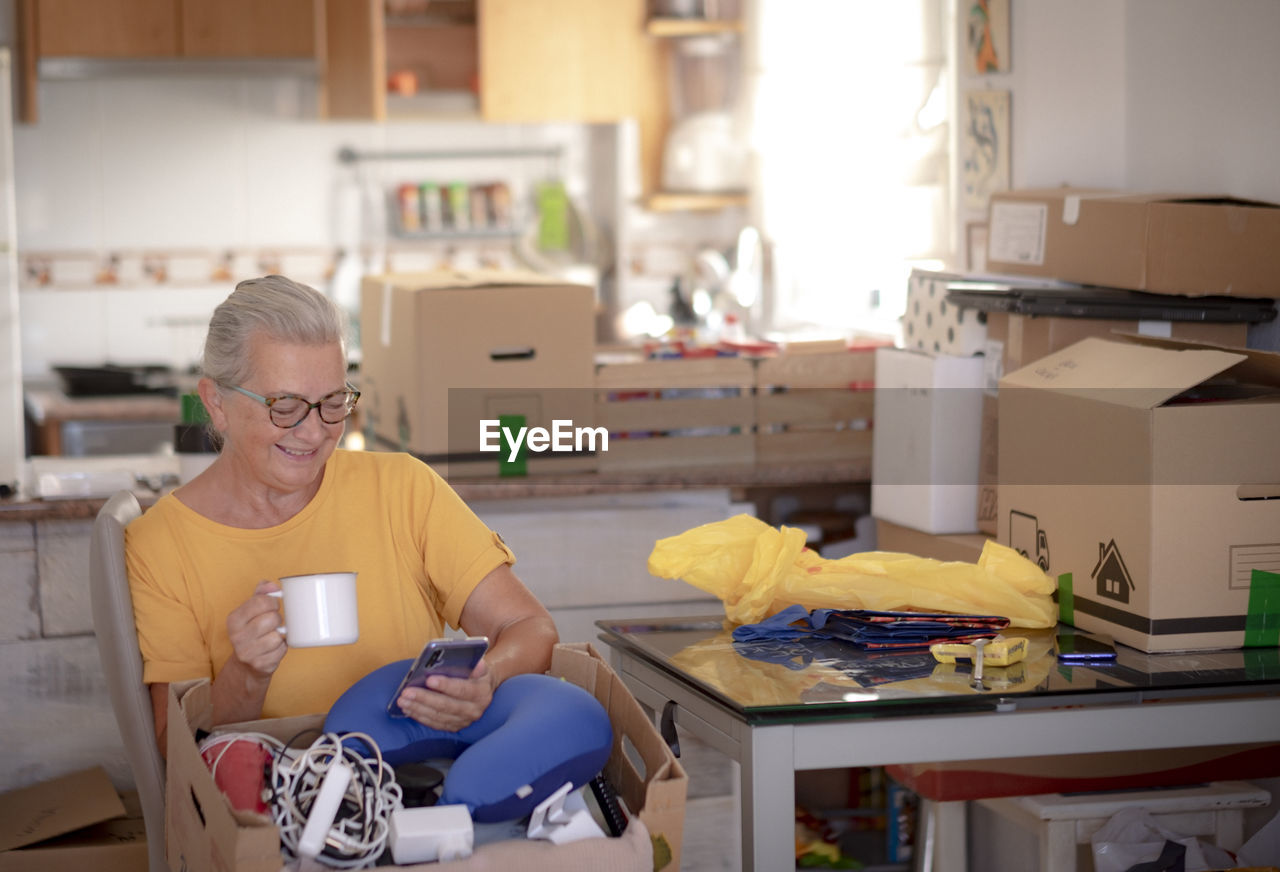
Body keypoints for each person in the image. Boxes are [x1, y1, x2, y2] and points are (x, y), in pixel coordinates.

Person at [125, 275, 558, 753]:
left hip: (420, 789)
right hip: (273, 811)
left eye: (333, 403)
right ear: (216, 404)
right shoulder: (160, 545)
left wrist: (487, 678)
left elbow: (529, 628)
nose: (314, 433)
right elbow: (175, 752)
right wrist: (246, 674)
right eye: (285, 406)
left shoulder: (404, 489)